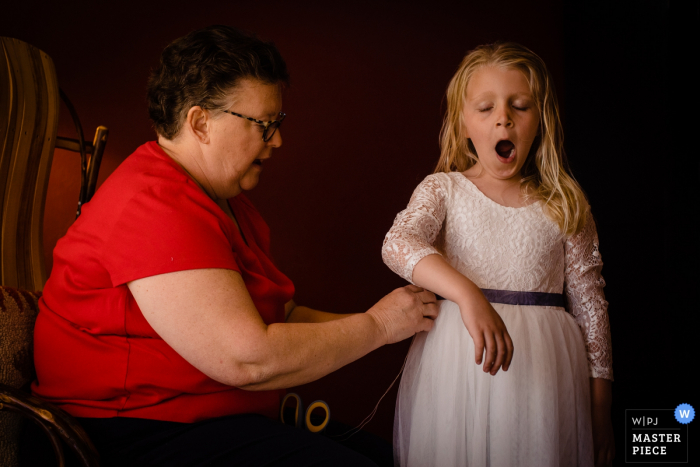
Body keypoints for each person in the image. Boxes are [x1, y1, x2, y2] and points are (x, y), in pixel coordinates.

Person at [30, 25, 438, 466]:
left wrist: (400, 321)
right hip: (129, 433)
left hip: (207, 420)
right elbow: (246, 360)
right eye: (264, 124)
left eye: (277, 123)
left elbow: (284, 316)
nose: (277, 139)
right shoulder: (152, 204)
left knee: (394, 457)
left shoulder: (220, 200)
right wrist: (377, 328)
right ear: (201, 123)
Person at [382, 42, 614, 467]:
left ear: (540, 120)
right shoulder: (443, 189)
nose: (503, 117)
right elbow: (398, 243)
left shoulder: (565, 202)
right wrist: (469, 296)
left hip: (546, 376)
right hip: (457, 370)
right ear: (464, 122)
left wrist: (601, 408)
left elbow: (590, 303)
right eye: (486, 107)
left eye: (519, 105)